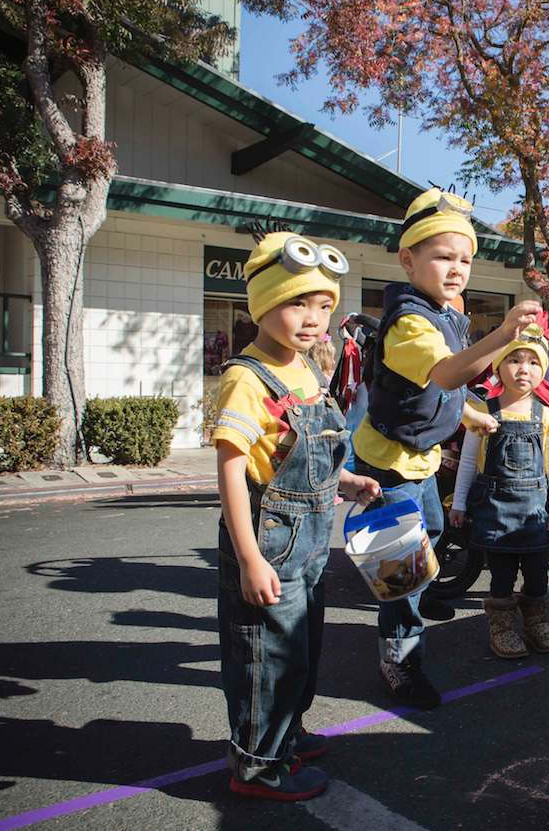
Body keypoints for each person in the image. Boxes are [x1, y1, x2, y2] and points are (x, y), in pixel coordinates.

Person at [351, 187, 541, 710]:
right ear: (407, 260)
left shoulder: (443, 311)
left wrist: (472, 415)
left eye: (465, 259)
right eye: (443, 257)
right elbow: (446, 373)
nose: (457, 269)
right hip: (387, 464)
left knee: (431, 531)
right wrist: (503, 334)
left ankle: (413, 589)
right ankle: (400, 661)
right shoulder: (411, 320)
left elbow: (445, 393)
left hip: (417, 457)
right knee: (401, 569)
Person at [211, 228, 381, 800]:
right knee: (266, 654)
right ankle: (258, 765)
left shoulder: (305, 368)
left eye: (324, 306)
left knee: (300, 647)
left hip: (308, 543)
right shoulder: (245, 377)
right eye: (297, 303)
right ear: (263, 305)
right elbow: (232, 471)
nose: (313, 319)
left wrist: (348, 481)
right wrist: (248, 559)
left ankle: (287, 733)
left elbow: (308, 452)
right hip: (269, 542)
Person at [450, 323, 549, 658]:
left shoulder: (547, 416)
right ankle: (501, 629)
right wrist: (459, 503)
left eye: (533, 361)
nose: (523, 369)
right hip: (495, 510)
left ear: (543, 370)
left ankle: (535, 623)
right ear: (498, 367)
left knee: (537, 574)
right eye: (514, 360)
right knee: (501, 576)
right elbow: (468, 462)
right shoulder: (482, 412)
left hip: (534, 514)